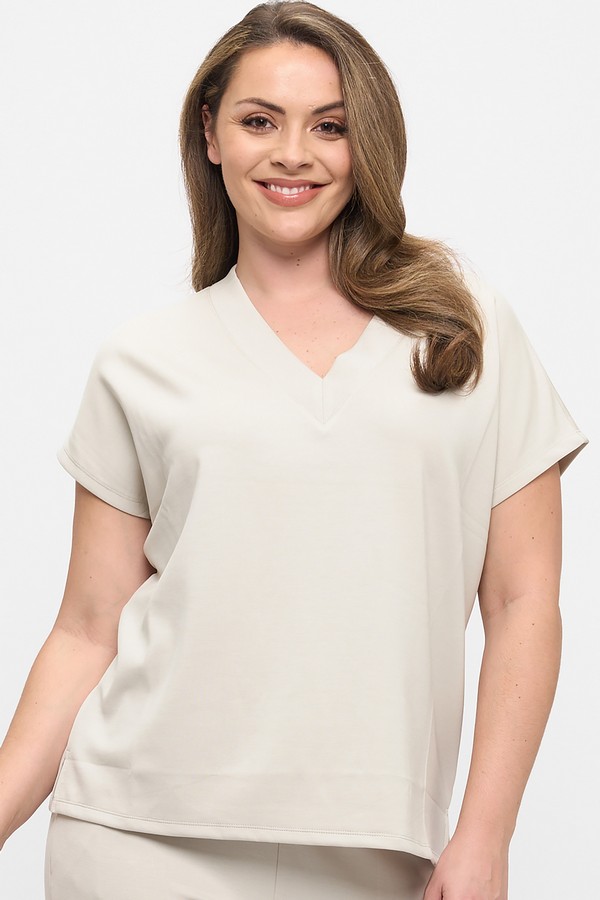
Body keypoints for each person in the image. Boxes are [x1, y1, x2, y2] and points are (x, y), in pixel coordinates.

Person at [0, 2, 588, 898]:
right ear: (211, 135)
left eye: (330, 127)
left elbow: (522, 602)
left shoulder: (463, 329)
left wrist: (487, 834)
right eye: (259, 121)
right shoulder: (141, 360)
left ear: (366, 143)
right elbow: (87, 630)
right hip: (137, 836)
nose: (292, 154)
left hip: (376, 852)